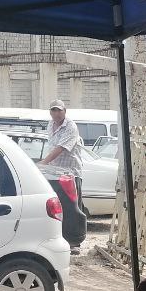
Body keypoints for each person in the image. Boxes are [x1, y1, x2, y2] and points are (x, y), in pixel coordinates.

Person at [38, 99, 86, 252]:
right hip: (54, 173)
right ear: (50, 112)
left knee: (72, 209)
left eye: (59, 110)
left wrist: (43, 162)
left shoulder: (70, 126)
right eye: (54, 110)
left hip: (70, 173)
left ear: (65, 111)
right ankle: (59, 239)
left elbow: (61, 148)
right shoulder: (50, 125)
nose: (57, 113)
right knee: (57, 208)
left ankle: (74, 242)